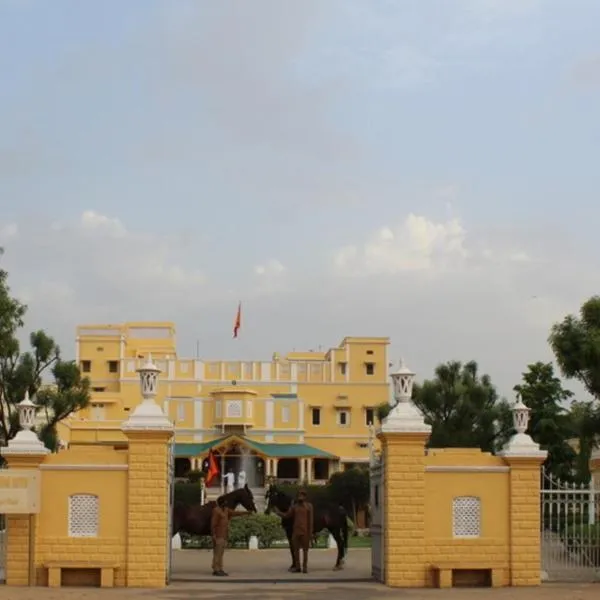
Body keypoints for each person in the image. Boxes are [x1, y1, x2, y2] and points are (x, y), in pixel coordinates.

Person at [210, 496, 251, 576]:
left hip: (224, 535)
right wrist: (213, 535)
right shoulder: (216, 511)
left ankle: (219, 568)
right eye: (225, 502)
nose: (226, 503)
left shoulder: (226, 510)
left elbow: (235, 513)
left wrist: (246, 513)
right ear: (221, 503)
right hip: (218, 535)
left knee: (220, 553)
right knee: (217, 553)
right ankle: (216, 569)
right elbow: (213, 524)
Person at [275, 490, 314, 573]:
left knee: (305, 551)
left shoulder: (309, 506)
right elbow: (287, 515)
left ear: (305, 497)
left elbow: (310, 521)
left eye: (302, 495)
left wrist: (310, 533)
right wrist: (278, 513)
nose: (301, 497)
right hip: (296, 531)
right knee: (296, 551)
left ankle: (305, 567)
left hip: (305, 532)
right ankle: (297, 567)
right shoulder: (294, 507)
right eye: (299, 495)